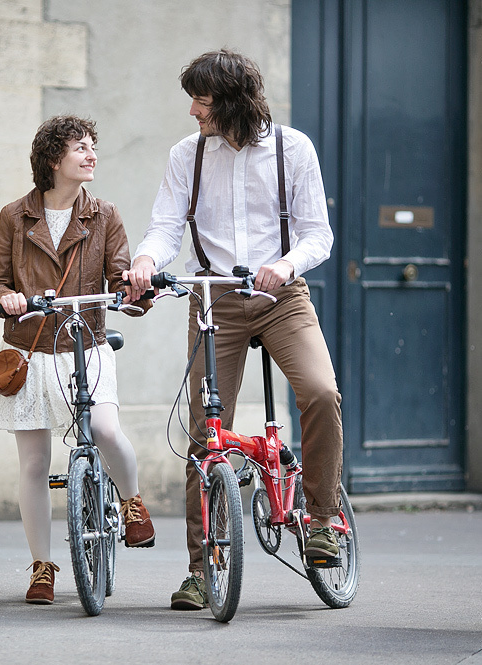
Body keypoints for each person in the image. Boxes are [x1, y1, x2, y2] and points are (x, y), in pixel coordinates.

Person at [124, 49, 343, 610]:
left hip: (280, 297)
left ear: (231, 101)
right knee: (204, 431)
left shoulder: (293, 149)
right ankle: (201, 569)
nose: (193, 111)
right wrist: (147, 261)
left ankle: (321, 519)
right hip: (213, 300)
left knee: (320, 393)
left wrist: (287, 265)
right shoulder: (187, 154)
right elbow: (166, 224)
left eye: (201, 100)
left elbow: (318, 234)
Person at [0, 115, 156, 605]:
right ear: (52, 158)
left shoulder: (105, 215)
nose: (90, 155)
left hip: (86, 343)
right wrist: (10, 300)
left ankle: (130, 501)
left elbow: (123, 276)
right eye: (80, 148)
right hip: (31, 347)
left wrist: (133, 294)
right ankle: (43, 566)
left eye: (92, 147)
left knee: (104, 431)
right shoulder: (13, 216)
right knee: (34, 463)